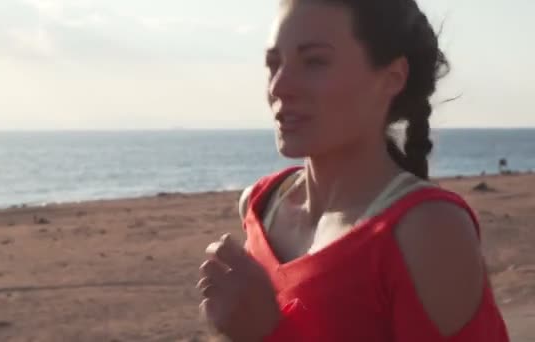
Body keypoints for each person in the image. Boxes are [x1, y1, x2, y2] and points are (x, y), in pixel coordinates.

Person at [196, 0, 511, 340]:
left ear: (392, 78)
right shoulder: (261, 205)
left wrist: (269, 333)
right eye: (274, 64)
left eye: (314, 61)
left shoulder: (428, 230)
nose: (279, 87)